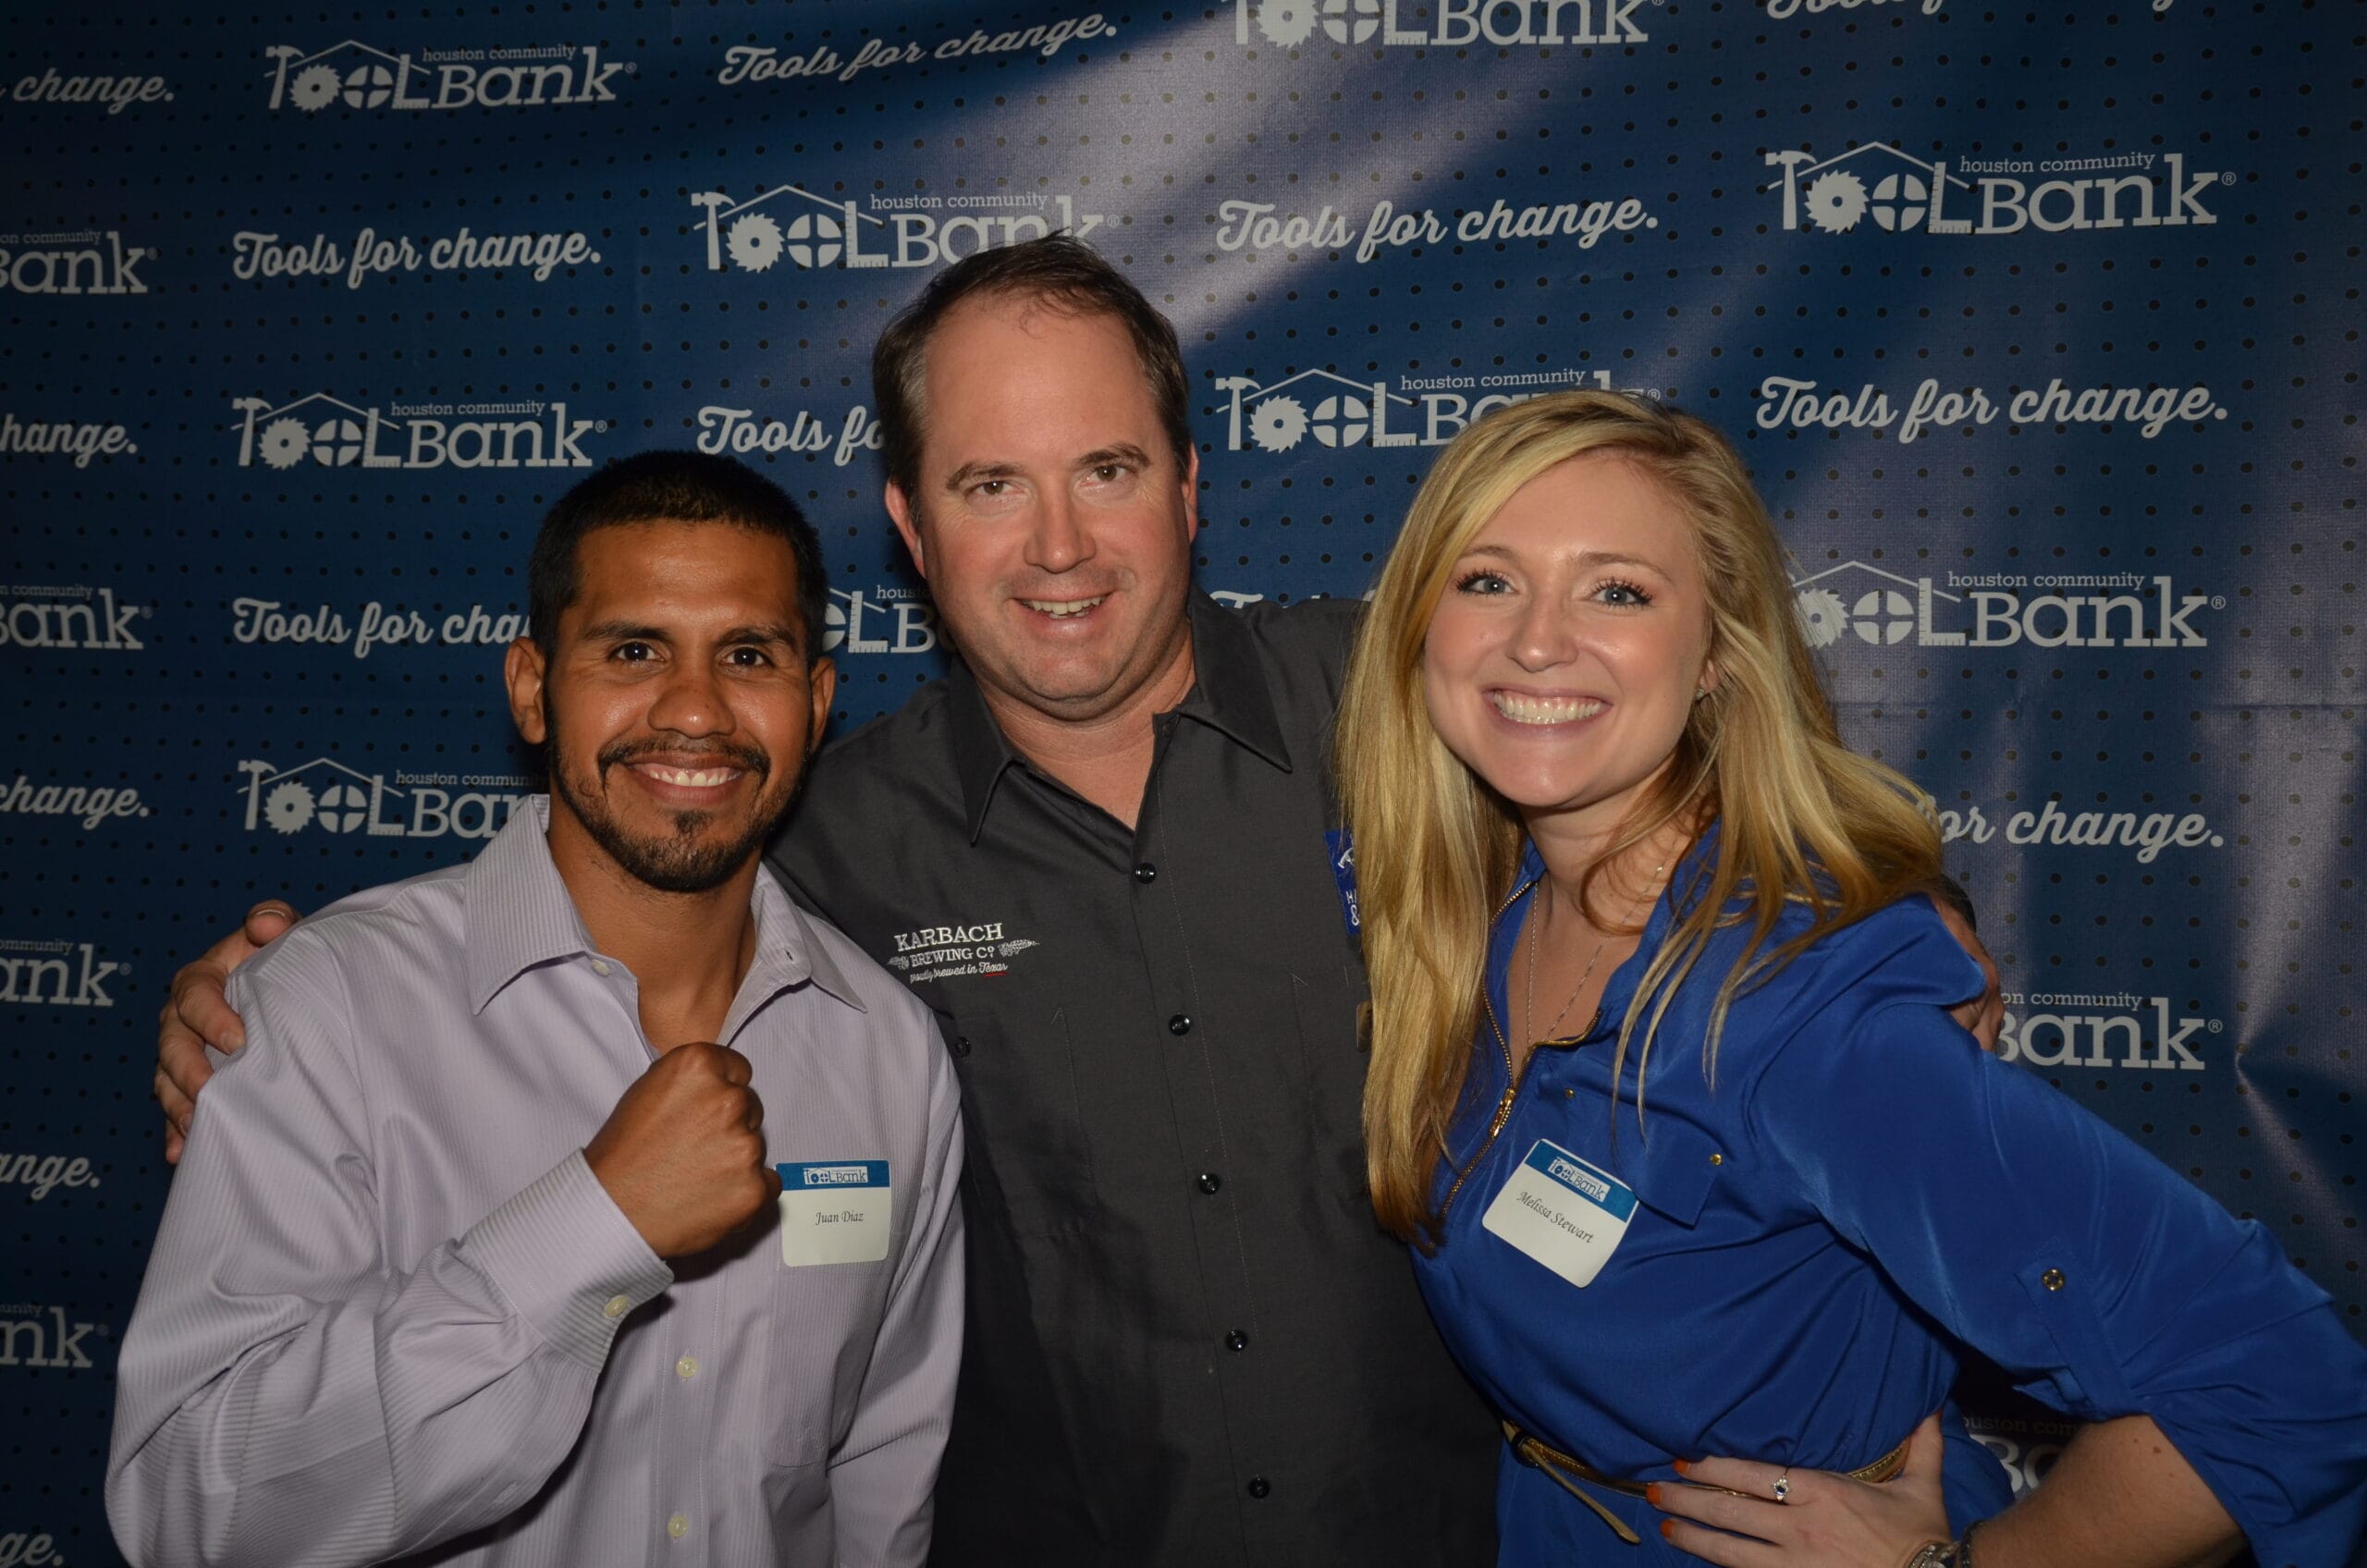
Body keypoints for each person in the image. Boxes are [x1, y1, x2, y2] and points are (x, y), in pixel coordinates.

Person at [150, 238, 1503, 1566]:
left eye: (1108, 469)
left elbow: (1674, 872)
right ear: (911, 527)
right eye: (990, 484)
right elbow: (609, 869)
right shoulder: (815, 840)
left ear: (1190, 486)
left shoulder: (1416, 716)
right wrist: (271, 1007)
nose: (1059, 545)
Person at [1334, 389, 2367, 1568]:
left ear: (1719, 652)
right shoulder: (1469, 908)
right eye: (1485, 579)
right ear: (1418, 621)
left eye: (1616, 589)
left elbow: (2280, 1378)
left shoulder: (1797, 1010)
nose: (1535, 640)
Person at [110, 454, 964, 1568]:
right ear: (530, 686)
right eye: (632, 650)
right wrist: (593, 1230)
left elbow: (879, 1485)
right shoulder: (333, 1009)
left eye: (747, 654)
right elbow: (191, 1507)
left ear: (815, 698)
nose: (696, 709)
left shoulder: (887, 1050)